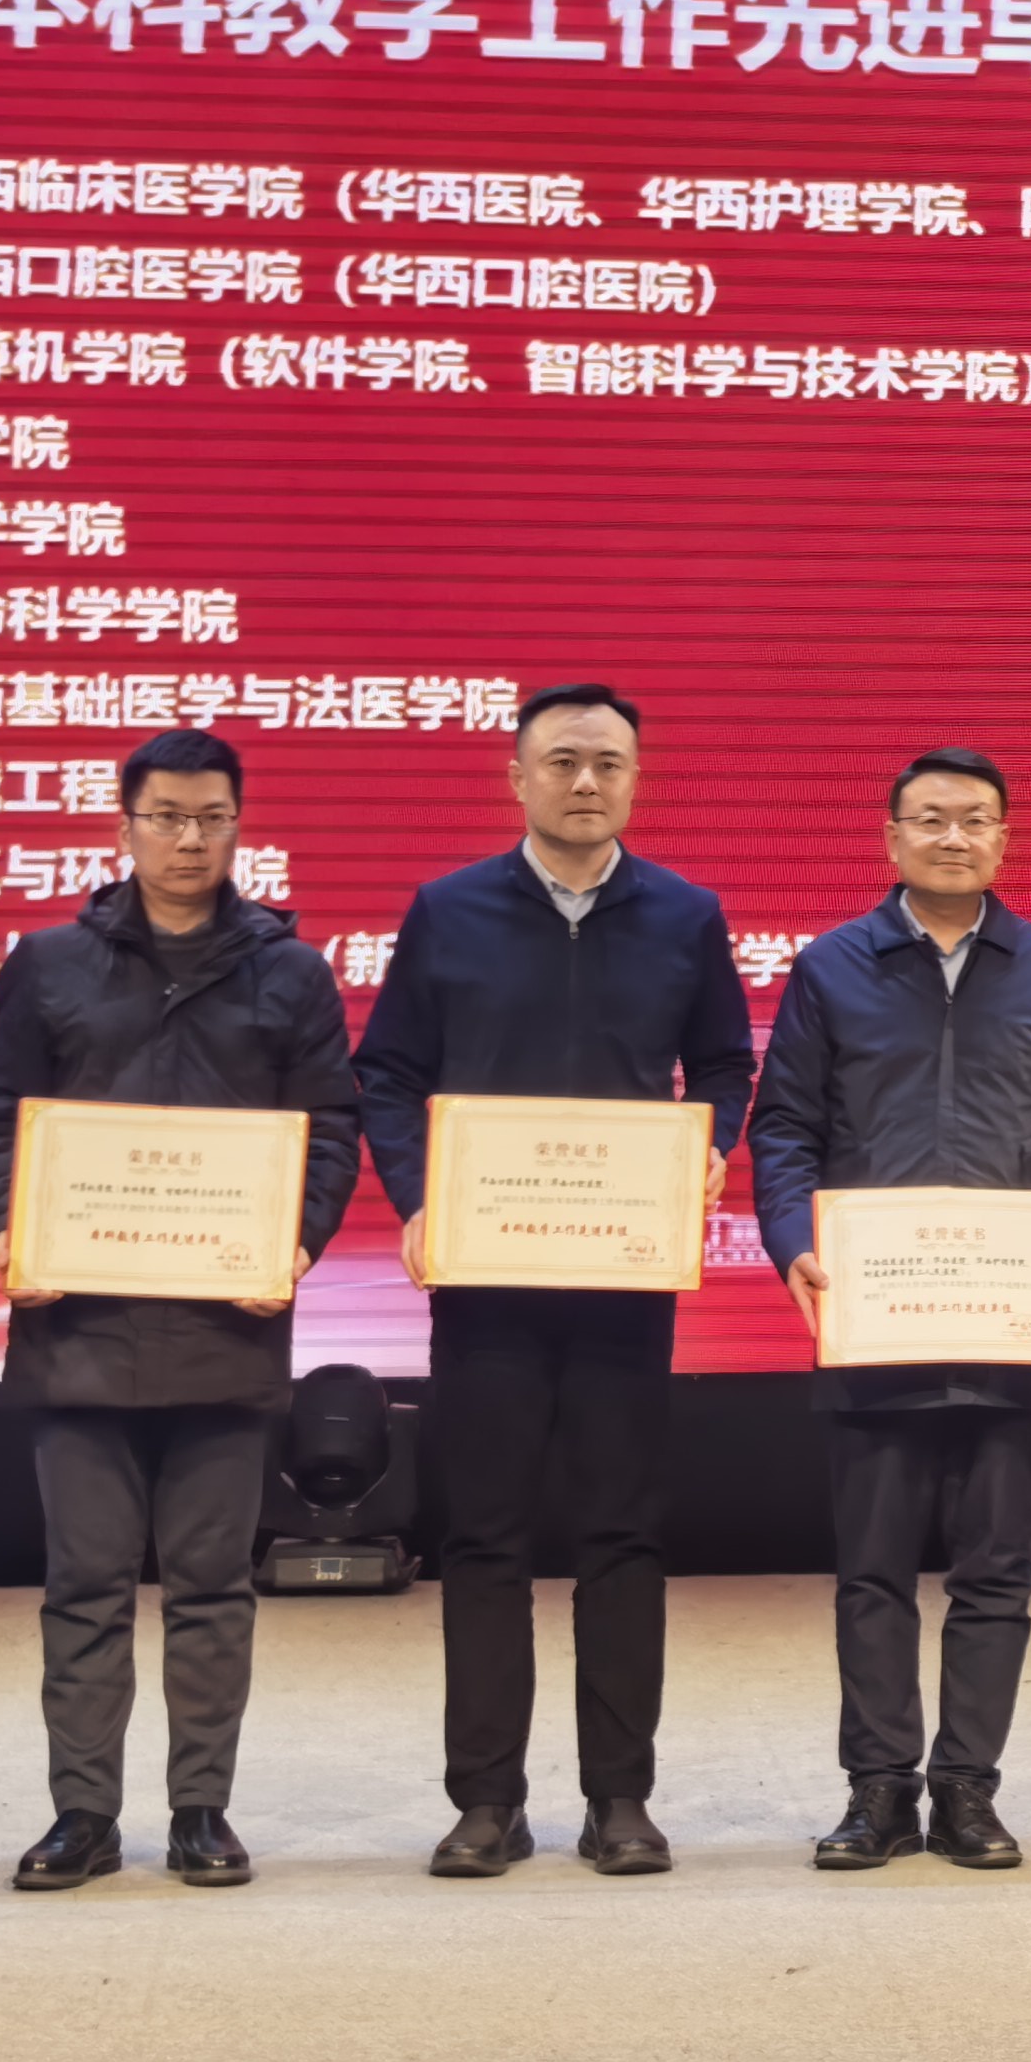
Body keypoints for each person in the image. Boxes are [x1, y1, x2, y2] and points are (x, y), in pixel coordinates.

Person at [353, 683, 750, 1879]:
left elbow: (723, 1059)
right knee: (483, 1537)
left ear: (635, 779)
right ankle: (487, 1802)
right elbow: (389, 1070)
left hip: (622, 1277)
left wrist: (711, 1142)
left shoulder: (683, 914)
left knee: (622, 1534)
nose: (586, 782)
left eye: (609, 763)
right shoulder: (449, 909)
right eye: (564, 761)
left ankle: (620, 1798)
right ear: (517, 776)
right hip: (487, 1280)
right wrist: (418, 1198)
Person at [0, 728, 360, 1892]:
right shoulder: (49, 964)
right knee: (84, 1586)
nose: (190, 839)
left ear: (238, 825)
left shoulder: (291, 972)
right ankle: (82, 1814)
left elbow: (329, 1131)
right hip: (78, 1329)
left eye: (212, 818)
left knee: (211, 1588)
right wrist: (8, 1232)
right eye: (168, 817)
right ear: (125, 824)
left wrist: (293, 1245)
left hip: (224, 1328)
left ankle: (200, 1808)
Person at [748, 747, 1031, 1875]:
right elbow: (784, 1128)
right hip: (877, 1319)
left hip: (1007, 1322)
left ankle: (966, 1790)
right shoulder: (832, 967)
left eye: (976, 820)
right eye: (931, 819)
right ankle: (877, 1791)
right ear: (891, 836)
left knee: (997, 1573)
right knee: (872, 1573)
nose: (954, 838)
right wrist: (794, 1242)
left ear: (1003, 839)